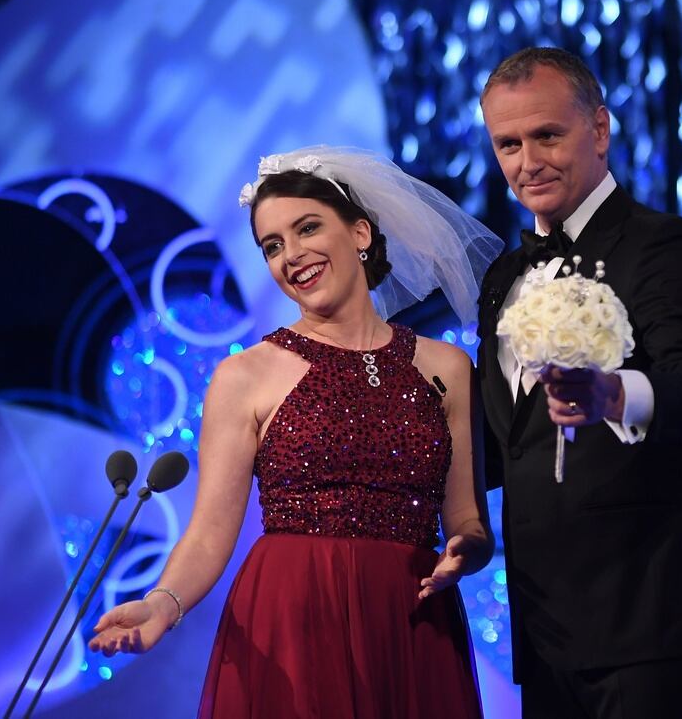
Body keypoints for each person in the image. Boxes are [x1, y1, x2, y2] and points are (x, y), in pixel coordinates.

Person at [88, 147, 502, 717]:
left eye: (307, 228)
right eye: (272, 246)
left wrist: (469, 549)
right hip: (295, 616)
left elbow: (466, 520)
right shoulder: (245, 375)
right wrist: (162, 605)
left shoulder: (448, 369)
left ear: (361, 233)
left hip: (412, 617)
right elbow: (209, 533)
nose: (292, 256)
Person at [476, 47, 682, 718]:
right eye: (507, 143)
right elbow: (508, 443)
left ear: (599, 130)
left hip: (654, 616)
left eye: (547, 134)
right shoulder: (501, 279)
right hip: (546, 628)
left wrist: (611, 394)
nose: (527, 161)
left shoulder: (663, 245)